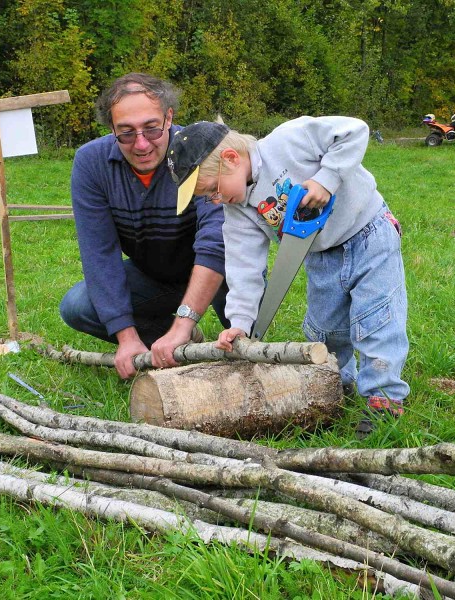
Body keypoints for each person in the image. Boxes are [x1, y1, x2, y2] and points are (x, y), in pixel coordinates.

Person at [167, 118, 409, 434]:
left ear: (231, 159)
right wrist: (240, 323)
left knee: (376, 320)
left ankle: (384, 401)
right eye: (208, 197)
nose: (215, 200)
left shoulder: (289, 141)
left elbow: (353, 130)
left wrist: (327, 179)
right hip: (320, 255)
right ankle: (338, 383)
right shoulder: (238, 210)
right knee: (325, 330)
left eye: (213, 190)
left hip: (368, 233)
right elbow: (242, 267)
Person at [59, 73, 229, 379]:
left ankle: (231, 340)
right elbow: (99, 255)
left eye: (152, 129)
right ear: (111, 128)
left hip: (218, 271)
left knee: (245, 337)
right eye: (126, 133)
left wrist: (184, 319)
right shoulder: (91, 163)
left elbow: (217, 241)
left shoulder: (202, 149)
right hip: (155, 276)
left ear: (169, 117)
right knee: (76, 305)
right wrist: (126, 337)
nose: (141, 144)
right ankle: (177, 344)